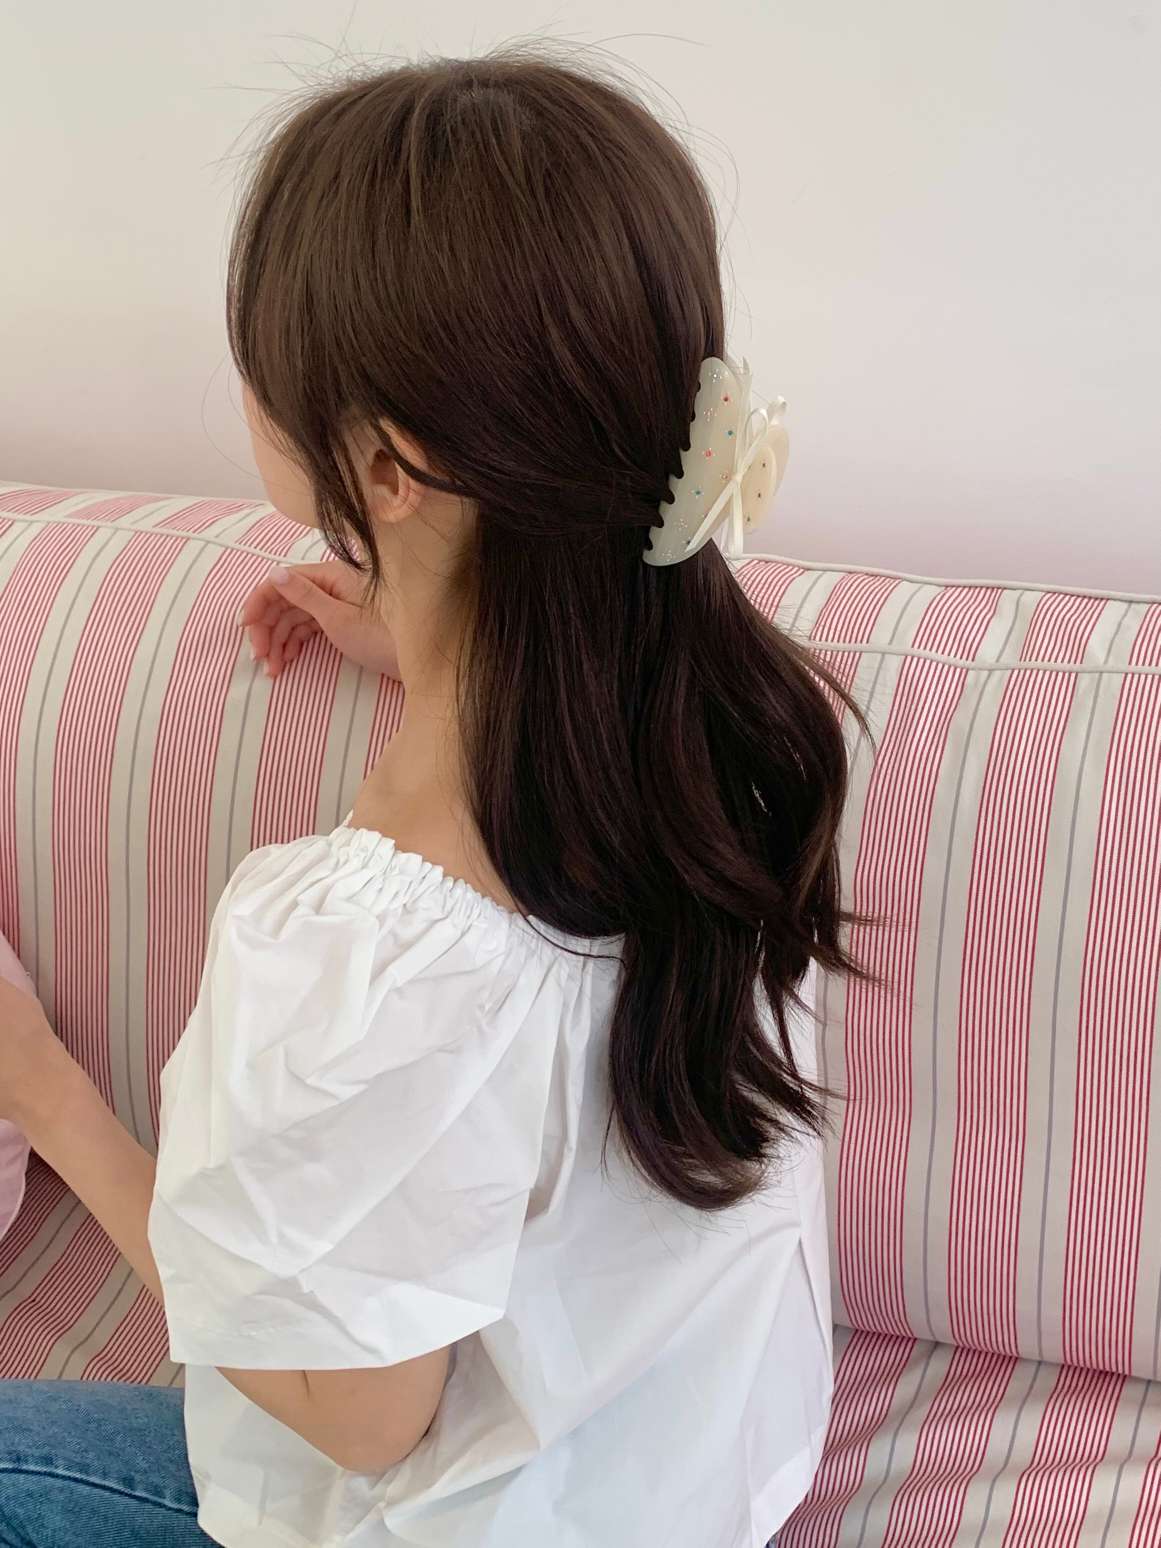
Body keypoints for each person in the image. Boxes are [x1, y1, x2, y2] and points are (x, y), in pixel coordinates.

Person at [0, 45, 879, 1548]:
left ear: (391, 466)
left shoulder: (361, 947)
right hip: (690, 1483)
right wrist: (428, 637)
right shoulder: (728, 733)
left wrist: (47, 1099)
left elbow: (352, 1412)